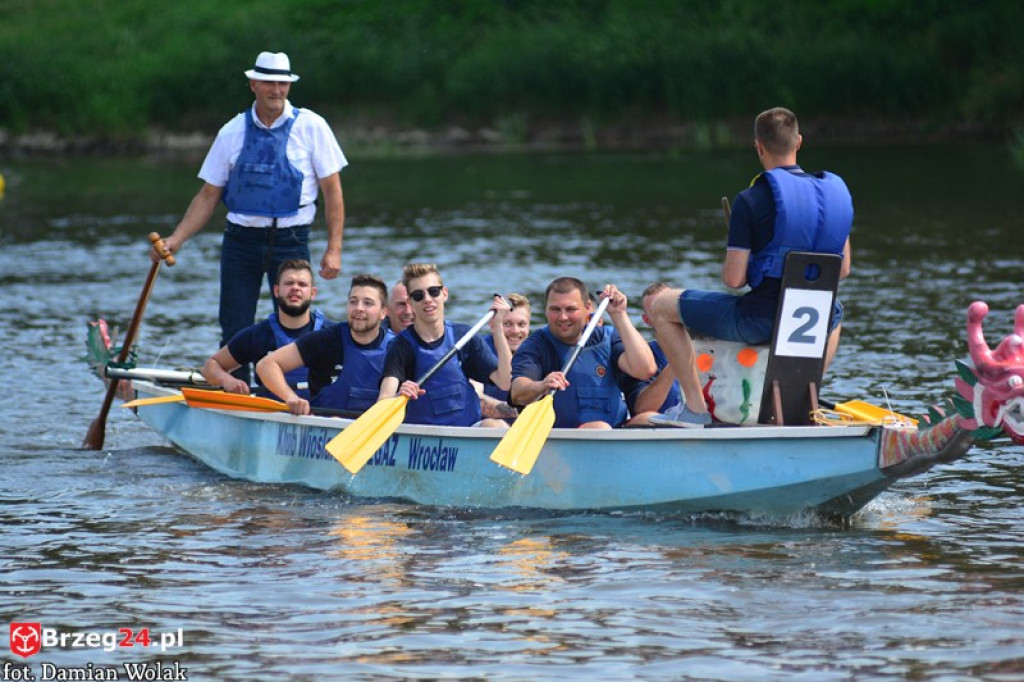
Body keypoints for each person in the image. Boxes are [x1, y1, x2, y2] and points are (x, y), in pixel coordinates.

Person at [649, 106, 853, 426]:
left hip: (759, 319)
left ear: (758, 146)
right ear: (798, 142)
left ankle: (695, 409)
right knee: (835, 311)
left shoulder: (750, 200)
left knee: (662, 306)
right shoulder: (832, 197)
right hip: (812, 317)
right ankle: (800, 398)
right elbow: (841, 269)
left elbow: (733, 279)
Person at [154, 51, 347, 383]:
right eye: (269, 82)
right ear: (253, 84)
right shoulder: (231, 132)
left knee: (296, 324)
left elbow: (333, 192)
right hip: (241, 241)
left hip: (292, 240)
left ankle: (297, 394)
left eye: (283, 83)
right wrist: (176, 240)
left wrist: (334, 249)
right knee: (235, 326)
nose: (277, 90)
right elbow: (208, 195)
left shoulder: (312, 127)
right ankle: (235, 394)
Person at [510, 278, 656, 429]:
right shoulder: (536, 345)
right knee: (600, 427)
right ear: (546, 310)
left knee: (651, 419)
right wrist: (541, 386)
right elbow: (518, 392)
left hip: (614, 434)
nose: (563, 317)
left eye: (571, 309)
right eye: (555, 309)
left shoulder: (608, 337)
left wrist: (619, 315)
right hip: (565, 439)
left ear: (587, 308)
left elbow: (645, 370)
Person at [378, 263, 511, 427]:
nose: (427, 299)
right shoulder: (400, 346)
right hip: (421, 441)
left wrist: (497, 328)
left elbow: (505, 382)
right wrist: (399, 395)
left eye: (433, 291)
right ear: (411, 303)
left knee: (497, 427)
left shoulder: (464, 336)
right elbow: (384, 400)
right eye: (418, 295)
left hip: (466, 433)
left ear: (444, 294)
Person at [256, 274, 394, 415]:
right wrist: (290, 397)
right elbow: (266, 365)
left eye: (368, 303)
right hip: (321, 428)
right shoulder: (326, 340)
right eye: (353, 301)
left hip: (372, 430)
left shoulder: (397, 348)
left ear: (383, 313)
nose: (359, 308)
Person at [201, 259, 328, 396]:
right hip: (271, 413)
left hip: (320, 414)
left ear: (313, 293)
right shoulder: (258, 335)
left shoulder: (331, 334)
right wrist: (227, 380)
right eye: (289, 283)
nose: (295, 288)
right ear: (276, 291)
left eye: (302, 284)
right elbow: (211, 366)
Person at [617, 282, 682, 426]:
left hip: (702, 429)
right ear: (647, 320)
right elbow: (642, 409)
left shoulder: (707, 347)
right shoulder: (641, 358)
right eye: (658, 311)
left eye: (669, 308)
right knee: (647, 417)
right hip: (660, 432)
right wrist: (678, 360)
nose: (667, 315)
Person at [477, 293, 531, 420]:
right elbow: (477, 400)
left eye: (522, 324)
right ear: (492, 324)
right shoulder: (479, 350)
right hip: (489, 429)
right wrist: (524, 413)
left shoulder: (537, 351)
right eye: (507, 324)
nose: (515, 331)